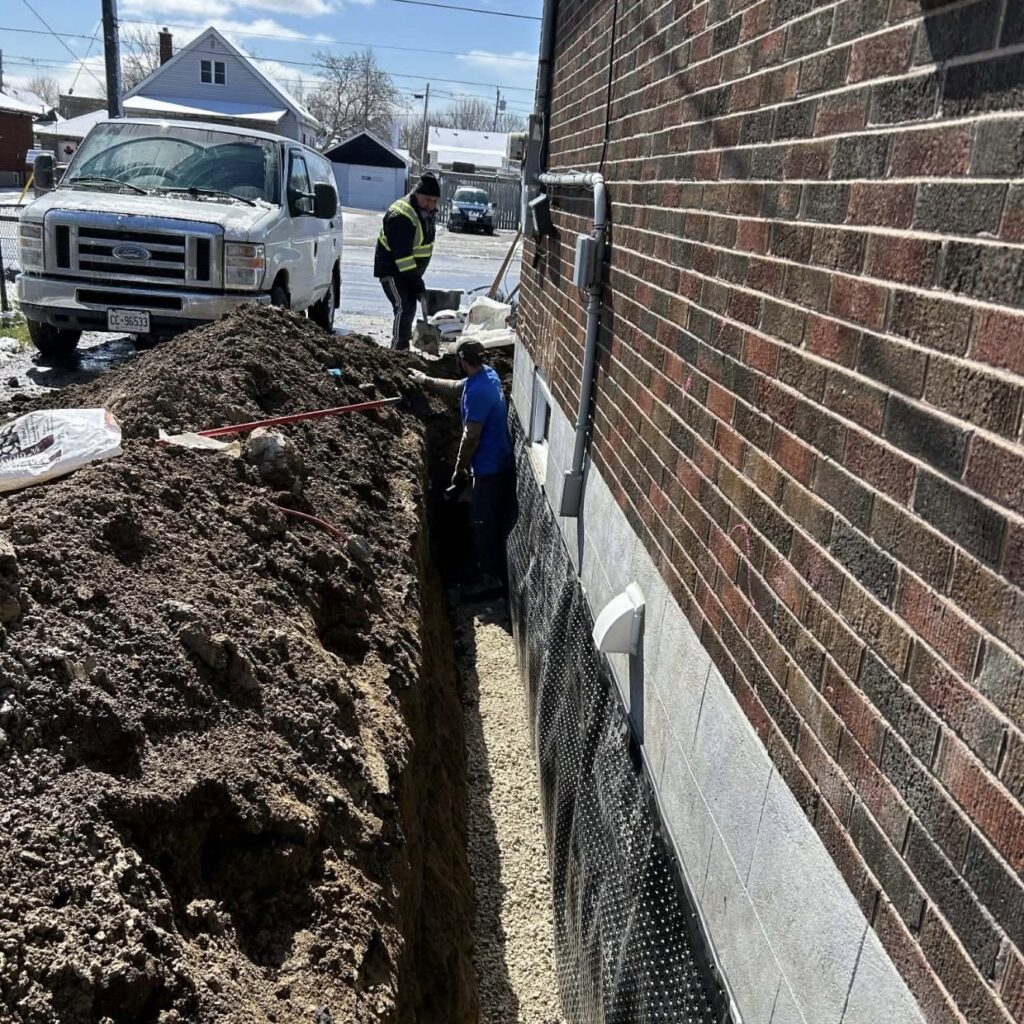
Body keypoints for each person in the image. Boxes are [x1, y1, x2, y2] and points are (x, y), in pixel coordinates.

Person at [409, 340, 514, 596]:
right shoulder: (488, 375)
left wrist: (459, 470)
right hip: (498, 459)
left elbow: (470, 437)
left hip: (489, 467)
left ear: (462, 361)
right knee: (484, 517)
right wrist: (425, 380)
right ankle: (484, 567)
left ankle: (490, 579)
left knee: (481, 521)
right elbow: (457, 387)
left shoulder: (479, 393)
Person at [374, 172, 440, 351]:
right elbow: (403, 258)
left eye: (435, 201)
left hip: (408, 272)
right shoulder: (401, 216)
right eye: (427, 200)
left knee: (409, 306)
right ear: (416, 194)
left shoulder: (425, 212)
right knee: (403, 306)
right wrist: (417, 284)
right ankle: (398, 351)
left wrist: (416, 281)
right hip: (392, 270)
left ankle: (403, 349)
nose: (431, 205)